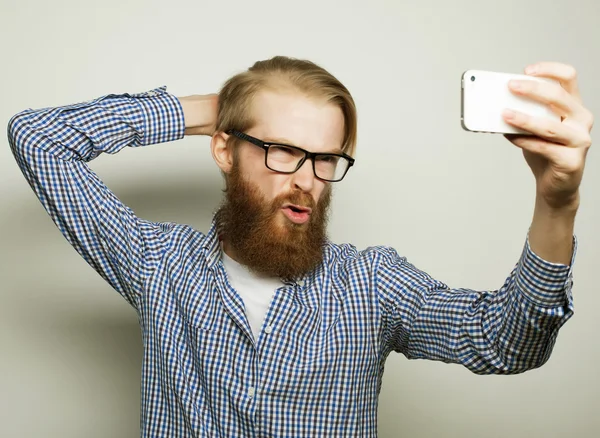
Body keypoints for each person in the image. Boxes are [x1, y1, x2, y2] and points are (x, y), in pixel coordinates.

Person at [7, 56, 593, 437]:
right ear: (223, 151)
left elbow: (507, 343)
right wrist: (218, 107)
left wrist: (557, 202)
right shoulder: (158, 265)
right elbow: (39, 140)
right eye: (282, 150)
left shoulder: (372, 285)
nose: (305, 178)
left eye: (323, 158)